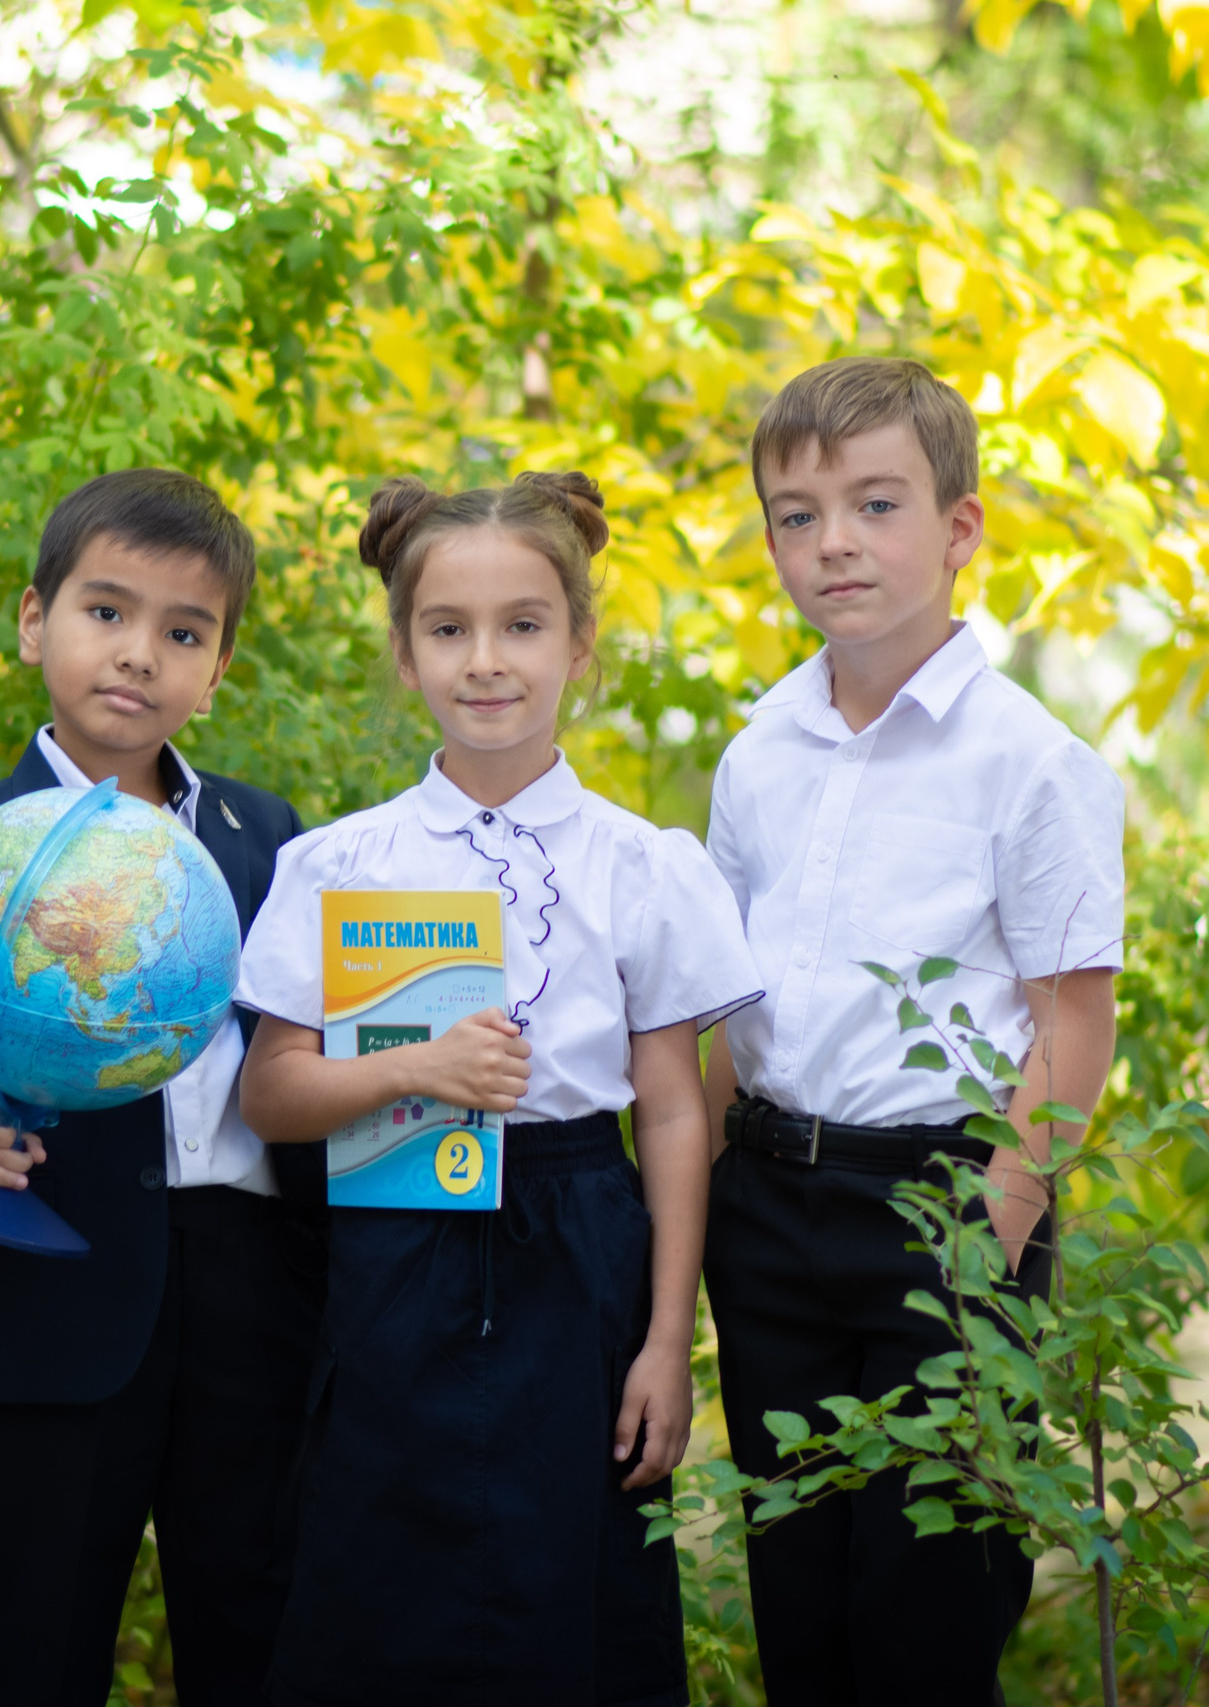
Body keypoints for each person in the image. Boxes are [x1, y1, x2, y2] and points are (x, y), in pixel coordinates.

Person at [233, 470, 761, 1707]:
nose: (485, 661)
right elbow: (269, 1094)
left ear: (578, 644)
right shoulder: (337, 864)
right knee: (380, 1588)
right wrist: (413, 1068)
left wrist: (666, 1343)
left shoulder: (642, 865)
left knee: (567, 1588)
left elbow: (672, 1111)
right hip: (392, 1243)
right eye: (447, 629)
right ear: (403, 653)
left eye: (522, 625)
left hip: (580, 1248)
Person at [702, 356, 1124, 1706]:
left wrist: (990, 1240)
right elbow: (727, 1004)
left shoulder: (1030, 761)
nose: (833, 542)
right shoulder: (757, 753)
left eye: (875, 505)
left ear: (958, 528)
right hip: (768, 1208)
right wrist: (705, 1192)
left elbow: (1072, 1017)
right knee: (801, 1606)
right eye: (797, 515)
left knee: (927, 1617)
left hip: (948, 1210)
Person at [0, 468, 319, 1706]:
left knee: (255, 1631)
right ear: (35, 621)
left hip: (252, 1295)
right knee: (40, 1647)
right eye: (106, 612)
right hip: (55, 1291)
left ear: (216, 671)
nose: (138, 654)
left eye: (183, 633)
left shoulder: (270, 837)